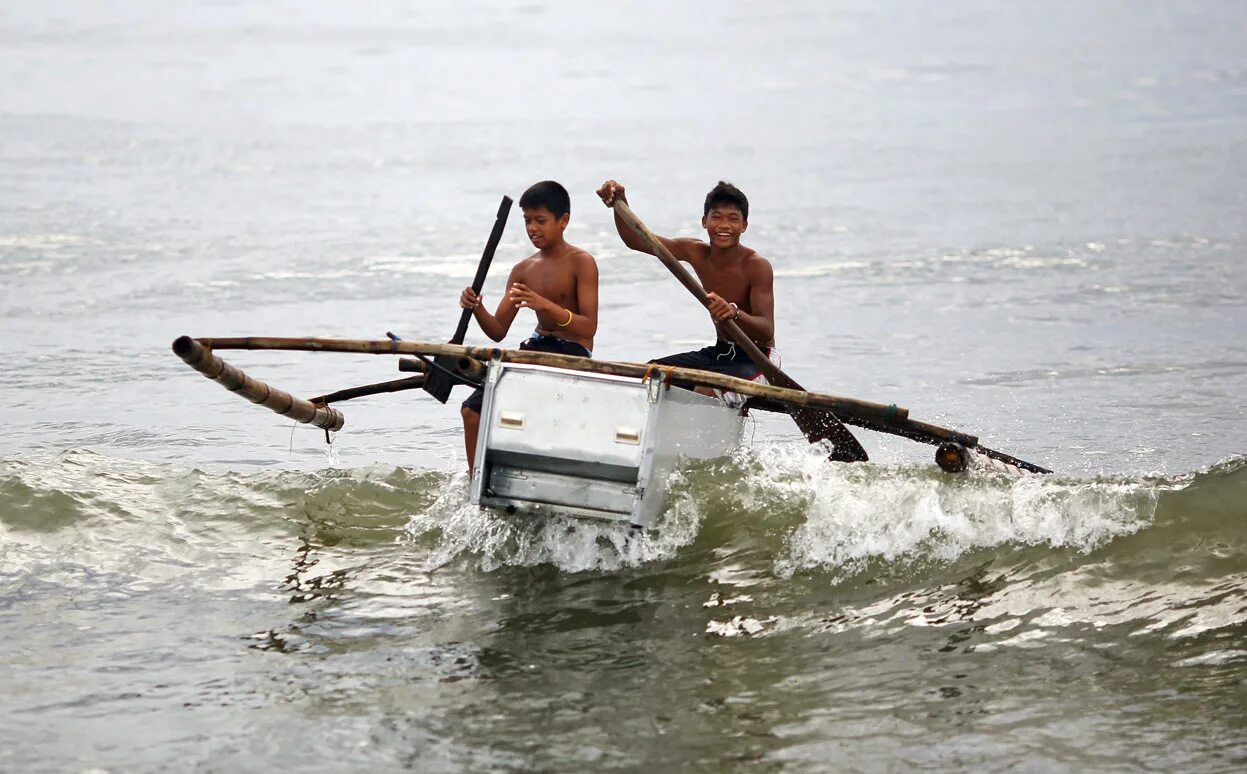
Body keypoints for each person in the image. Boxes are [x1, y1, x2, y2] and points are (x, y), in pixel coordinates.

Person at [459, 180, 599, 471]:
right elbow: (498, 330)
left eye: (540, 221)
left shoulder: (582, 262)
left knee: (536, 413)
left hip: (572, 352)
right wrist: (476, 307)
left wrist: (545, 305)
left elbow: (588, 329)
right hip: (534, 349)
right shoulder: (523, 270)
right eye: (527, 221)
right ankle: (475, 482)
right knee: (471, 411)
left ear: (563, 221)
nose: (533, 228)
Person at [596, 179, 778, 396]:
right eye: (717, 217)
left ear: (744, 226)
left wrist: (735, 313)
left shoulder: (757, 266)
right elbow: (637, 240)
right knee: (649, 374)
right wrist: (619, 204)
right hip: (721, 353)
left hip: (759, 358)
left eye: (733, 219)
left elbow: (767, 330)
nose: (724, 226)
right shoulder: (695, 251)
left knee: (705, 389)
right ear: (704, 221)